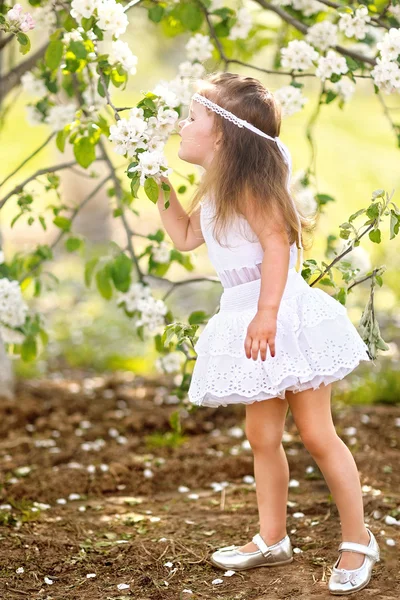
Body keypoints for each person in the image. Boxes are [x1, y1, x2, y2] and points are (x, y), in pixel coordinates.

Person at [157, 72, 380, 596]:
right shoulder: (213, 189)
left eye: (193, 118)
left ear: (222, 137)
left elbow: (278, 247)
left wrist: (268, 312)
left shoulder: (253, 189)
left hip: (281, 314)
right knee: (261, 436)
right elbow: (186, 236)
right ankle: (272, 538)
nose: (182, 126)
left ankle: (358, 539)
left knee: (316, 433)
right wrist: (158, 181)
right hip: (249, 314)